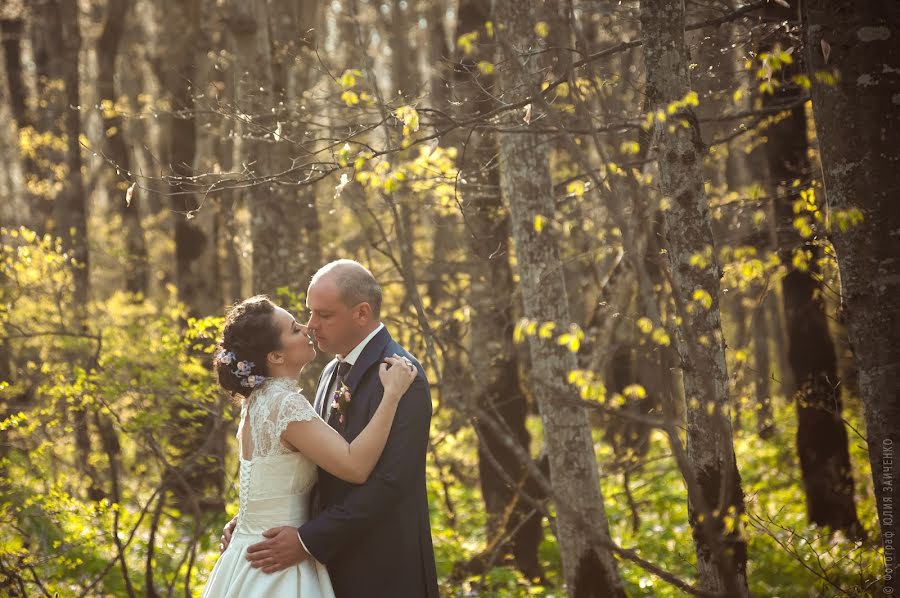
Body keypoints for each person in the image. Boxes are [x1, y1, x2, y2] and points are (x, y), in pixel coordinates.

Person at [220, 260, 440, 598]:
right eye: (308, 315)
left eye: (324, 315)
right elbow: (309, 467)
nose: (310, 326)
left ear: (362, 313)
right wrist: (252, 521)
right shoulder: (325, 374)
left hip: (382, 570)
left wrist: (308, 540)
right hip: (323, 563)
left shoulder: (401, 375)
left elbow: (390, 483)